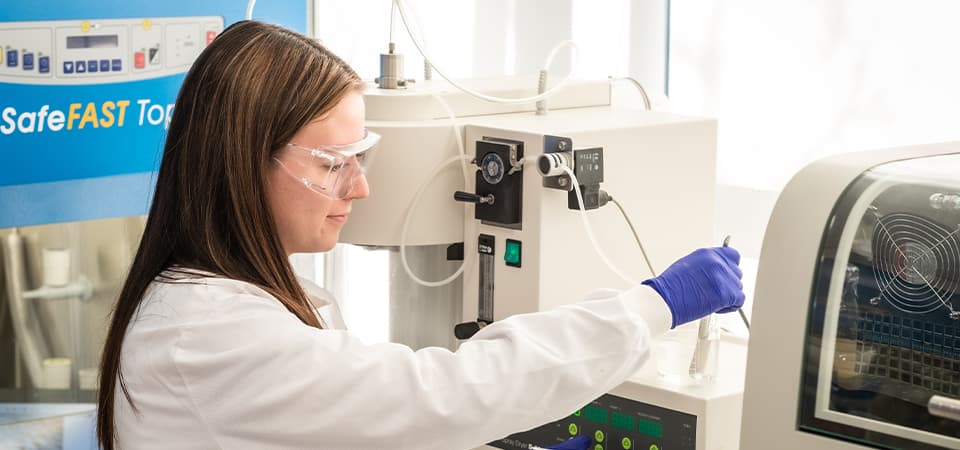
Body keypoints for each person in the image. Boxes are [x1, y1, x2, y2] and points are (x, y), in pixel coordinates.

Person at [96, 21, 745, 450]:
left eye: (362, 157)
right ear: (242, 160)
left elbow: (365, 422)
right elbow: (446, 391)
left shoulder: (239, 300)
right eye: (331, 164)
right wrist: (656, 303)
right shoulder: (208, 336)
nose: (359, 189)